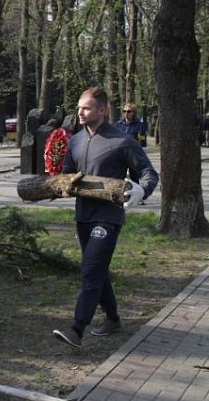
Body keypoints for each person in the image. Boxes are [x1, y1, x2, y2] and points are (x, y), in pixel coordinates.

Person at [52, 87, 158, 349]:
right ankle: (112, 318)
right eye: (79, 107)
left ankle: (77, 329)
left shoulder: (122, 141)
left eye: (86, 108)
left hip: (108, 218)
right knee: (96, 271)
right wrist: (61, 184)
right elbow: (66, 173)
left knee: (90, 272)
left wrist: (142, 189)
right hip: (83, 216)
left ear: (102, 110)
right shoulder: (76, 140)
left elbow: (149, 173)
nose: (80, 112)